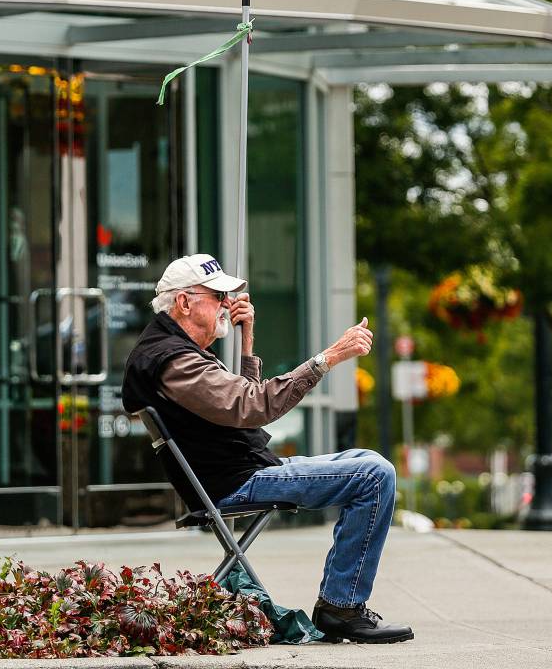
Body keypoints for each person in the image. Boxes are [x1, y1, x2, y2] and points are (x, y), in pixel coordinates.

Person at [122, 253, 414, 645]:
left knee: (366, 462)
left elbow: (242, 412)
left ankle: (340, 606)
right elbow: (253, 406)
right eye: (217, 296)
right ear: (185, 302)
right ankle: (341, 609)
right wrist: (327, 359)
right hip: (234, 482)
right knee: (374, 475)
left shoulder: (175, 351)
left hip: (242, 470)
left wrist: (247, 340)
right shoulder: (173, 360)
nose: (228, 304)